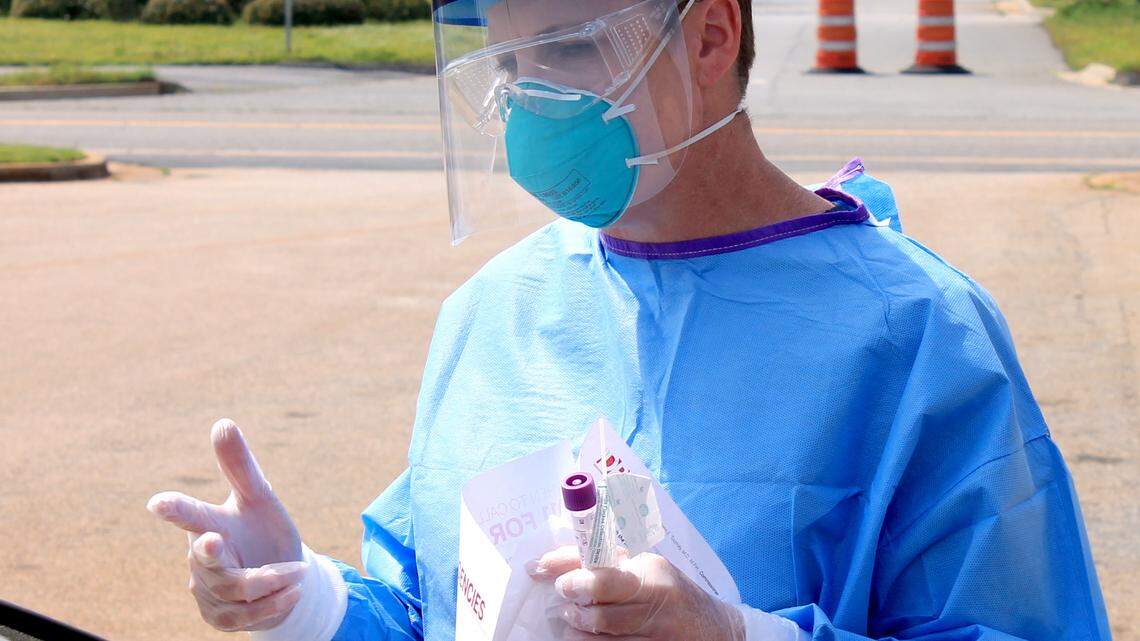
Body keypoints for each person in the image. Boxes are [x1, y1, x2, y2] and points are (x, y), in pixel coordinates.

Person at [147, 0, 1112, 639]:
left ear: (709, 37)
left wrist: (736, 634)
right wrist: (303, 595)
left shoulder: (914, 335)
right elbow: (434, 605)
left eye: (568, 45)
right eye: (508, 60)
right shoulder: (497, 309)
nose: (532, 98)